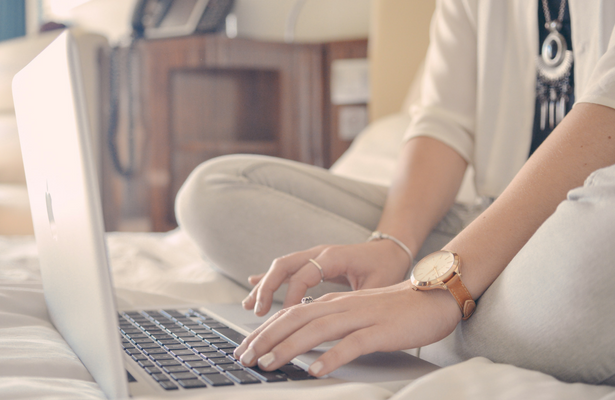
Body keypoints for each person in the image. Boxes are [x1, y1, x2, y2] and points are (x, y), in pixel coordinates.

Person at [175, 0, 615, 383]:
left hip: (585, 222)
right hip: (487, 217)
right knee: (215, 192)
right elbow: (444, 121)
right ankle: (424, 310)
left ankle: (420, 316)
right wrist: (394, 243)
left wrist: (441, 290)